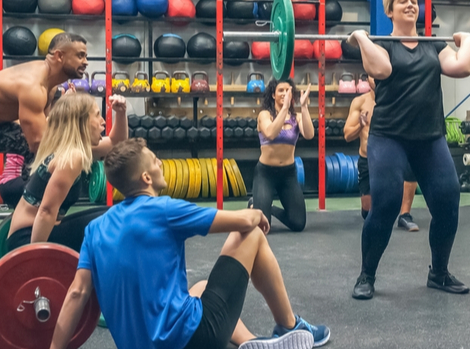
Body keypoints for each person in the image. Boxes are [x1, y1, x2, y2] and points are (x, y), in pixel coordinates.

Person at [50, 138, 330, 349]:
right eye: (156, 161)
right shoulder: (163, 209)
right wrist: (256, 212)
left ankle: (251, 343)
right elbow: (242, 222)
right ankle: (288, 326)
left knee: (199, 288)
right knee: (252, 234)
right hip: (192, 340)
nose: (161, 164)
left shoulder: (95, 229)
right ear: (146, 178)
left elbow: (77, 293)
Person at [346, 0, 470, 300]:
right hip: (389, 137)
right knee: (386, 203)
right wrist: (362, 37)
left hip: (429, 138)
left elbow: (462, 66)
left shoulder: (434, 44)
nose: (410, 4)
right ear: (389, 11)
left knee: (447, 200)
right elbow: (381, 69)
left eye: (414, 1)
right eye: (402, 0)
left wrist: (467, 40)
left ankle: (439, 273)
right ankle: (367, 274)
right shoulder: (384, 44)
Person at [0, 31, 88, 293]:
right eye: (80, 55)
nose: (85, 62)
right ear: (59, 56)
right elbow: (40, 143)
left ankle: (29, 213)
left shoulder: (51, 86)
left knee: (44, 157)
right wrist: (75, 156)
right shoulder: (33, 85)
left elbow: (44, 143)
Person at [6, 93, 128, 253]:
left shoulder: (73, 149)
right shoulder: (72, 157)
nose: (103, 122)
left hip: (36, 232)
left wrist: (120, 112)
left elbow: (115, 143)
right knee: (117, 219)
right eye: (98, 115)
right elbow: (46, 211)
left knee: (118, 212)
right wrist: (34, 257)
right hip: (27, 238)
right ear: (81, 122)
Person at [344, 75, 419, 231]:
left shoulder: (399, 99)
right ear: (367, 79)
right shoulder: (360, 102)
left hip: (393, 155)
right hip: (368, 159)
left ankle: (405, 215)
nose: (377, 79)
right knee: (369, 212)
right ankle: (376, 210)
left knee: (412, 163)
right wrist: (360, 125)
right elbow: (347, 135)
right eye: (373, 76)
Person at [250, 78, 314, 232]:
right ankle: (254, 204)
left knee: (298, 224)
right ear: (273, 95)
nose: (285, 93)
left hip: (288, 174)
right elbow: (271, 133)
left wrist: (304, 107)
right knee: (263, 227)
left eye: (288, 90)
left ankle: (269, 207)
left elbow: (309, 134)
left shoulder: (296, 117)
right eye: (281, 90)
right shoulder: (264, 115)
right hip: (265, 173)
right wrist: (284, 109)